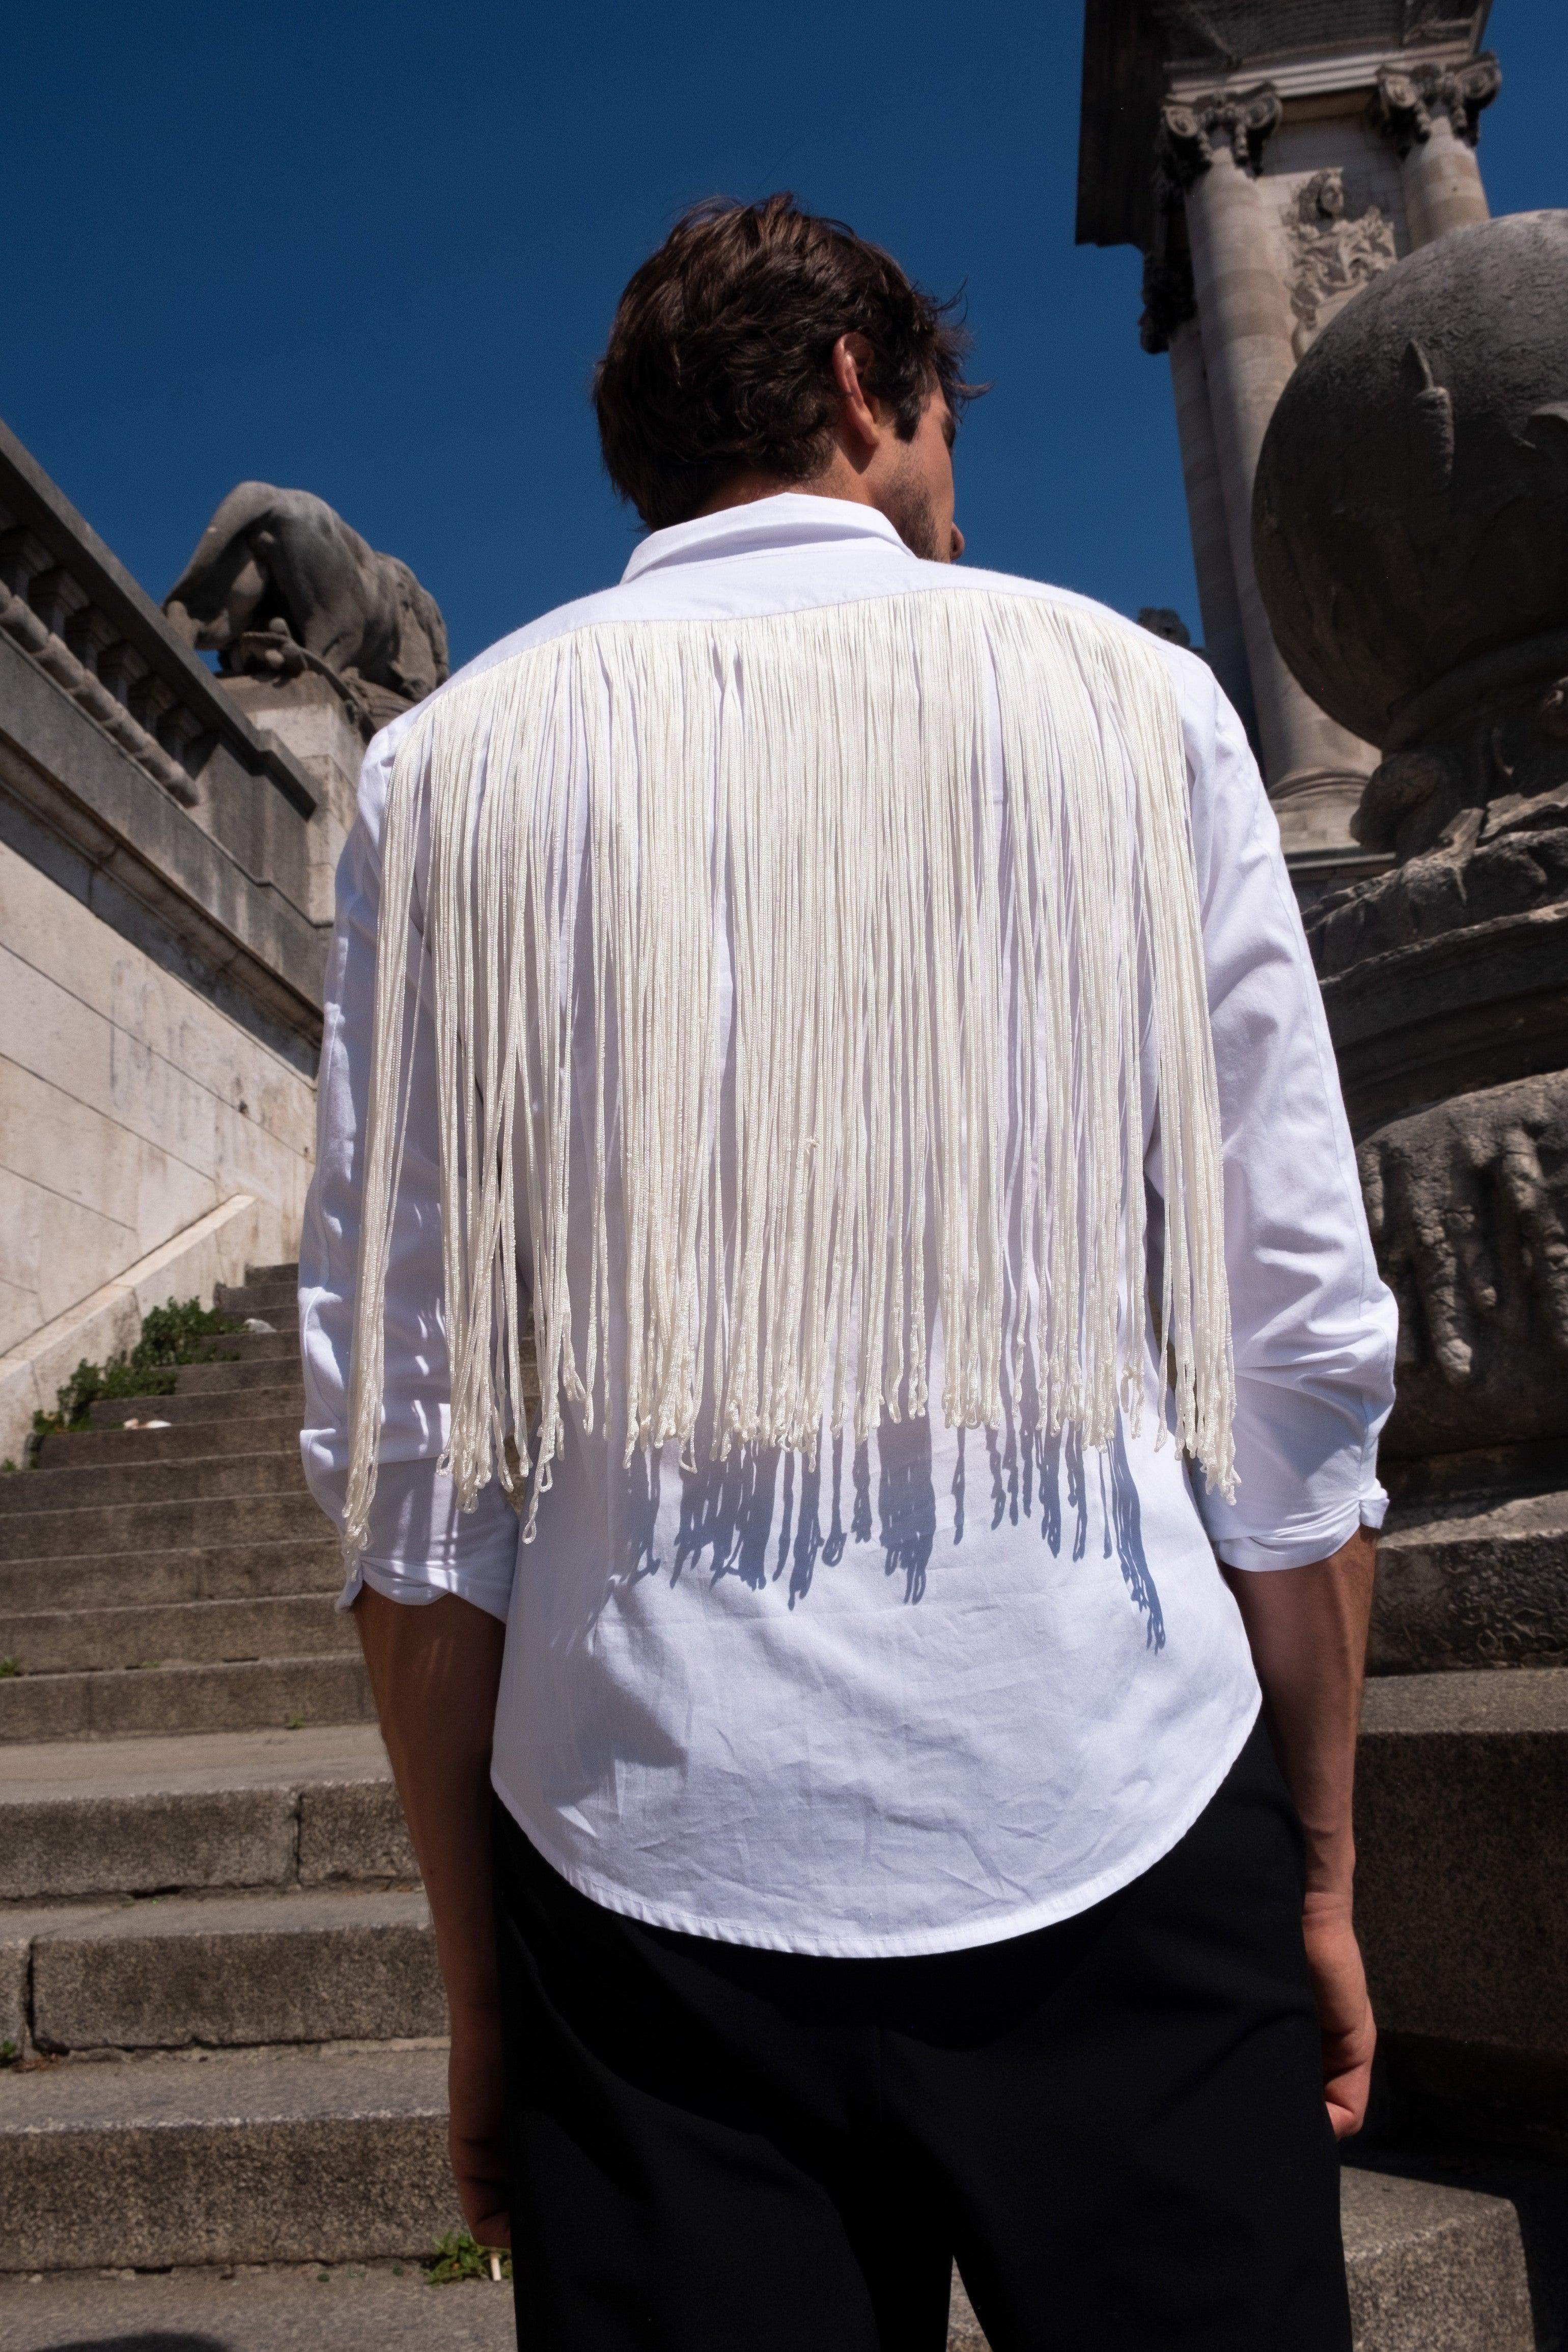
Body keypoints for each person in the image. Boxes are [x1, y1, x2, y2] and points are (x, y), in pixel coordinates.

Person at [300, 194, 1397, 2351]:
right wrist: (1327, 1863)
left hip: (643, 1873)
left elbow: (411, 1471)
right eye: (947, 422)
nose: (956, 489)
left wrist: (479, 1986)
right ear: (856, 387)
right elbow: (1296, 1351)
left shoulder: (441, 780)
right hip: (1121, 1794)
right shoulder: (1138, 706)